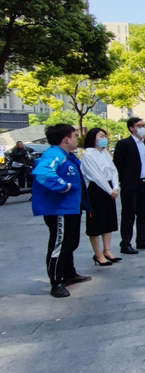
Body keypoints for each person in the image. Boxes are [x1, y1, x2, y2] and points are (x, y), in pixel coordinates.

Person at [31, 124, 92, 298]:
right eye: (74, 136)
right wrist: (64, 186)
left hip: (71, 207)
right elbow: (43, 172)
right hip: (60, 209)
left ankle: (69, 273)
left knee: (70, 242)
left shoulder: (67, 156)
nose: (76, 139)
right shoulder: (54, 154)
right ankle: (56, 281)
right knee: (60, 244)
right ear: (66, 139)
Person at [113, 117, 145, 254]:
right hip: (130, 184)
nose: (142, 128)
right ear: (131, 128)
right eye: (139, 126)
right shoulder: (124, 144)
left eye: (143, 125)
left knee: (143, 213)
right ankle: (125, 243)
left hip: (144, 182)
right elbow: (117, 165)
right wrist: (123, 180)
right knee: (128, 214)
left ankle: (141, 240)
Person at [80, 128, 121, 266]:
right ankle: (98, 254)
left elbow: (113, 170)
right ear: (93, 138)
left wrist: (115, 187)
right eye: (101, 136)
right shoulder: (88, 155)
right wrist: (110, 190)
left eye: (105, 136)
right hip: (96, 190)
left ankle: (107, 250)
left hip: (109, 188)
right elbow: (96, 176)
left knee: (108, 220)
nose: (104, 138)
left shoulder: (105, 154)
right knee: (96, 222)